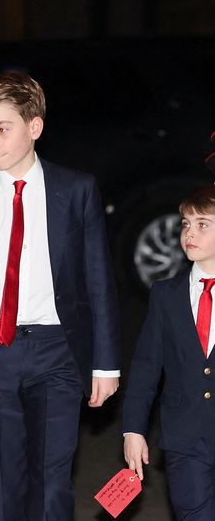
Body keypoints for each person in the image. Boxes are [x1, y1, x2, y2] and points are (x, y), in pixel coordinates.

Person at [0, 71, 121, 521]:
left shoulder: (76, 191)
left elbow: (98, 280)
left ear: (34, 127)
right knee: (1, 487)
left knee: (52, 483)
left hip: (58, 351)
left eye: (2, 129)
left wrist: (106, 363)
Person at [123, 186, 215, 520]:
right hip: (184, 441)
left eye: (203, 224)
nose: (190, 232)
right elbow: (147, 366)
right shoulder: (166, 295)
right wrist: (133, 429)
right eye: (185, 223)